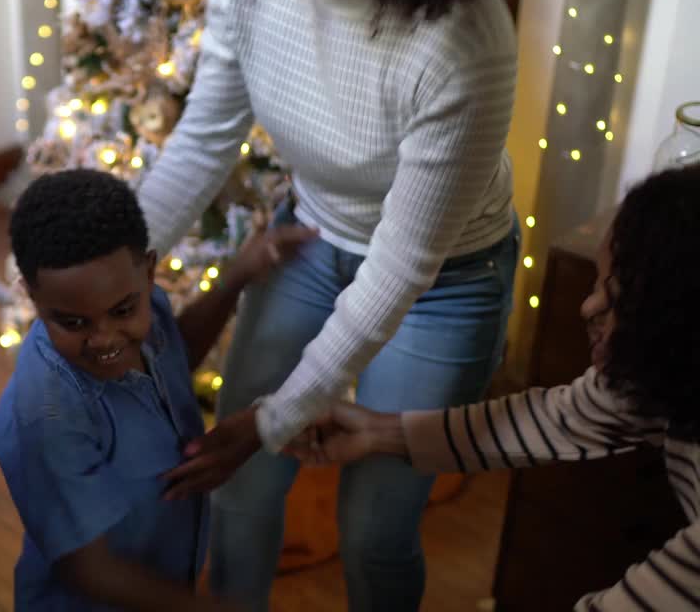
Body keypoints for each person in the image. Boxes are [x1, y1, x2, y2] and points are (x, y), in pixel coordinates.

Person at [141, 0, 528, 609]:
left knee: (374, 528)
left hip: (446, 280)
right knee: (239, 490)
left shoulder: (464, 37)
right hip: (311, 239)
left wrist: (271, 420)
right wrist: (112, 270)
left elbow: (402, 266)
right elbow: (201, 145)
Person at [289, 165, 700, 610]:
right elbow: (561, 418)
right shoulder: (667, 372)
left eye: (615, 298)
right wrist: (376, 432)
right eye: (597, 284)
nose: (587, 307)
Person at [0, 169, 317, 611]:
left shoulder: (147, 301)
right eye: (73, 322)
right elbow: (88, 569)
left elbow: (175, 353)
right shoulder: (45, 416)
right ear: (30, 294)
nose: (105, 339)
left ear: (148, 271)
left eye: (122, 311)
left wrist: (236, 277)